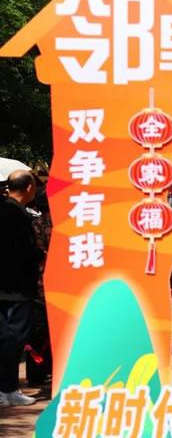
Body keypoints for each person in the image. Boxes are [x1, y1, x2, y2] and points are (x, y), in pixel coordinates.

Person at [0, 171, 43, 406]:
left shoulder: (5, 209)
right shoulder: (17, 214)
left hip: (6, 286)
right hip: (17, 287)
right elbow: (22, 251)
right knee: (14, 338)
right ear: (29, 187)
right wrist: (40, 254)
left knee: (6, 337)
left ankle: (6, 389)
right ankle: (8, 389)